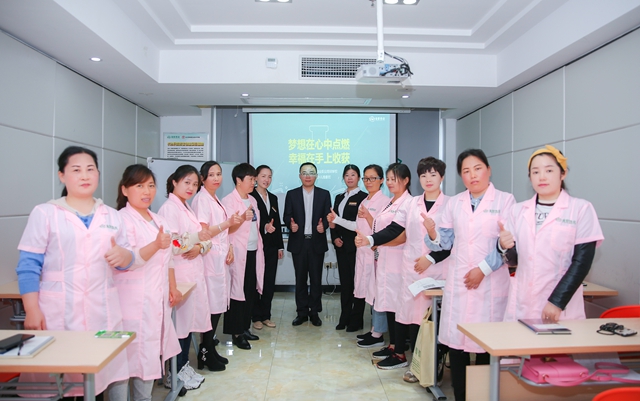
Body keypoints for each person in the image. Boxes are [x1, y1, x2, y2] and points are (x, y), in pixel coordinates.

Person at [16, 146, 132, 400]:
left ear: (98, 174)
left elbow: (126, 259)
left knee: (97, 378)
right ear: (62, 175)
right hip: (57, 311)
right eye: (76, 170)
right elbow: (28, 265)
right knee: (59, 379)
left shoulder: (112, 216)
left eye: (90, 169)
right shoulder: (46, 213)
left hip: (102, 309)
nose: (85, 175)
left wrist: (125, 257)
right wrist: (31, 309)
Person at [424, 149, 515, 401]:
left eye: (477, 168)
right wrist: (433, 233)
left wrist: (482, 270)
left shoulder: (505, 201)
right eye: (466, 171)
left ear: (488, 170)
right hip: (461, 282)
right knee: (457, 344)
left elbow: (507, 243)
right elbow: (445, 242)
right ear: (461, 176)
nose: (472, 175)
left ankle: (484, 395)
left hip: (491, 281)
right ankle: (461, 396)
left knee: (486, 344)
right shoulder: (455, 203)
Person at [357, 157, 451, 371]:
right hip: (410, 268)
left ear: (442, 177)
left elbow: (451, 241)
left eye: (433, 174)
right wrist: (370, 240)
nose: (428, 179)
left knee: (428, 319)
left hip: (435, 269)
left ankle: (427, 366)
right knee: (406, 313)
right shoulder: (411, 203)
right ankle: (404, 356)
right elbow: (394, 229)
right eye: (424, 175)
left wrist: (431, 258)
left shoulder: (449, 204)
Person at [499, 145, 604, 322]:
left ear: (563, 174)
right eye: (535, 172)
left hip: (561, 307)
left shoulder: (580, 209)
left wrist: (557, 302)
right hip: (522, 303)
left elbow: (582, 263)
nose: (542, 177)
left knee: (556, 341)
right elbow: (514, 260)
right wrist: (504, 247)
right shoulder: (517, 210)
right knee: (519, 340)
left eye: (549, 170)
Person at [114, 164, 182, 400]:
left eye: (151, 185)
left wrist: (173, 287)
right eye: (139, 185)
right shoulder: (120, 220)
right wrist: (155, 245)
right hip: (130, 303)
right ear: (125, 190)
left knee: (149, 356)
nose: (147, 191)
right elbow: (125, 261)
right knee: (124, 362)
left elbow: (168, 258)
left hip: (156, 300)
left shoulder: (157, 219)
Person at [158, 165, 212, 388]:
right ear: (175, 182)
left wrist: (199, 244)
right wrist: (197, 240)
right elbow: (173, 244)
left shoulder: (185, 206)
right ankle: (174, 373)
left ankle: (183, 366)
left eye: (195, 184)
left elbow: (203, 239)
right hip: (179, 274)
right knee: (180, 325)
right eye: (186, 182)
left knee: (188, 323)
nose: (191, 187)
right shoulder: (169, 209)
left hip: (192, 272)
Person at [355, 163, 412, 365]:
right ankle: (392, 346)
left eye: (393, 179)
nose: (390, 182)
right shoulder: (393, 202)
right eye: (388, 179)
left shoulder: (407, 203)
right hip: (385, 261)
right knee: (387, 303)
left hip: (397, 262)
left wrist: (372, 240)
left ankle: (400, 353)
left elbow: (400, 235)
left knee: (396, 306)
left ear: (406, 180)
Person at [191, 161, 243, 369]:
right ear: (202, 178)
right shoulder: (202, 199)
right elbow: (204, 233)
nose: (216, 178)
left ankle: (210, 349)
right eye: (211, 174)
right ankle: (205, 352)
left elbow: (222, 233)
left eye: (219, 174)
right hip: (209, 260)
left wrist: (229, 247)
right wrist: (227, 224)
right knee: (211, 308)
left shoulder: (214, 198)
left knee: (217, 306)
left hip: (219, 258)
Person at [221, 163, 265, 350]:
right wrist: (242, 219)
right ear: (239, 180)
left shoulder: (252, 200)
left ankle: (245, 327)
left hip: (253, 250)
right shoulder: (228, 201)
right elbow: (227, 229)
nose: (254, 182)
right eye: (251, 179)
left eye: (254, 179)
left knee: (249, 291)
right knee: (236, 293)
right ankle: (236, 333)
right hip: (238, 253)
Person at [283, 162, 331, 327]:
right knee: (300, 279)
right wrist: (291, 225)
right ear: (299, 176)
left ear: (316, 176)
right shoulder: (292, 194)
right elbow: (286, 215)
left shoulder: (324, 194)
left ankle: (314, 312)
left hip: (316, 242)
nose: (308, 176)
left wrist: (324, 225)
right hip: (299, 242)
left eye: (311, 172)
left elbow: (328, 215)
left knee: (316, 279)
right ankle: (302, 312)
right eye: (304, 173)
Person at [351, 165, 391, 348]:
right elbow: (359, 227)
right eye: (366, 178)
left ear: (381, 180)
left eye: (372, 178)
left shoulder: (385, 202)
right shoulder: (364, 200)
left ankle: (378, 333)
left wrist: (368, 216)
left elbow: (384, 230)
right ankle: (375, 328)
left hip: (376, 253)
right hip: (363, 253)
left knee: (376, 292)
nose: (368, 182)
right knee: (368, 292)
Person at [327, 164, 368, 331]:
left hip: (357, 247)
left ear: (359, 178)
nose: (350, 178)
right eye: (347, 175)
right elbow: (333, 220)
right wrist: (335, 238)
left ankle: (356, 320)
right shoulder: (339, 197)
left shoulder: (364, 197)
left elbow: (359, 224)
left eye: (353, 175)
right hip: (341, 246)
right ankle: (344, 317)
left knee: (357, 283)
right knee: (345, 284)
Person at [249, 165, 285, 330]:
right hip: (256, 246)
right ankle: (256, 316)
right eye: (263, 176)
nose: (267, 180)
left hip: (271, 247)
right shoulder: (250, 197)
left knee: (269, 281)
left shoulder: (273, 198)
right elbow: (252, 222)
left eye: (269, 176)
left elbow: (276, 222)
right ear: (256, 178)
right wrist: (264, 226)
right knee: (257, 281)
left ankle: (266, 315)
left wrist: (280, 247)